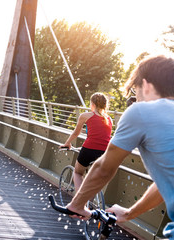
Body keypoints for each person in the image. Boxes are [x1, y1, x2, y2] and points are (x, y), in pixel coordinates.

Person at [66, 55, 174, 239]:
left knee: (79, 170)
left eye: (135, 90)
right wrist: (129, 213)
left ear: (146, 85)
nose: (136, 97)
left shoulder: (141, 111)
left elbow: (104, 168)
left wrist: (77, 205)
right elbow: (166, 183)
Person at [60, 92, 112, 192]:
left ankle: (79, 199)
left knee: (78, 173)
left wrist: (67, 143)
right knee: (94, 181)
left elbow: (76, 133)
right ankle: (90, 205)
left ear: (92, 104)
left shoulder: (85, 115)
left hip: (89, 150)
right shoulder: (109, 119)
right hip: (104, 153)